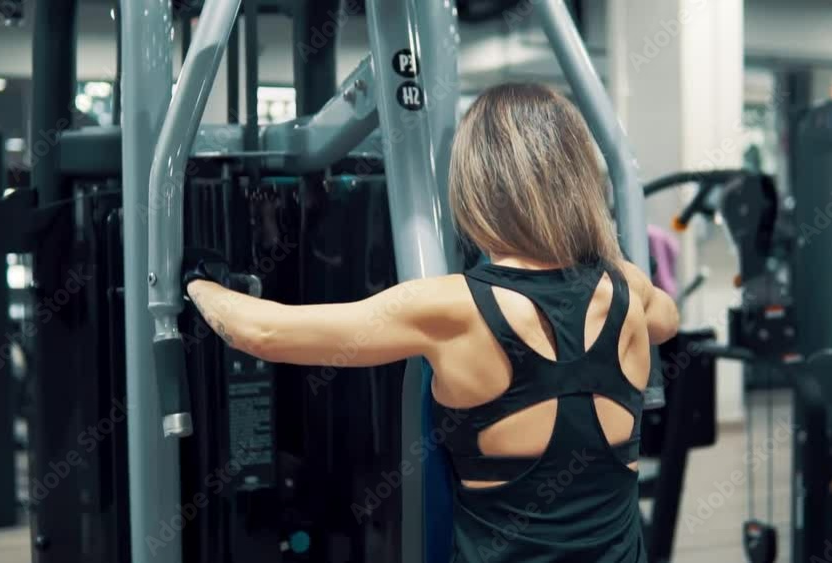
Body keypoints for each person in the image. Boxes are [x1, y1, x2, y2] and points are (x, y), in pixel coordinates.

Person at [185, 82, 680, 563]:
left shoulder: (453, 310)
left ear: (479, 183)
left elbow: (263, 331)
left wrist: (195, 280)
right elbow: (668, 320)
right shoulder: (627, 288)